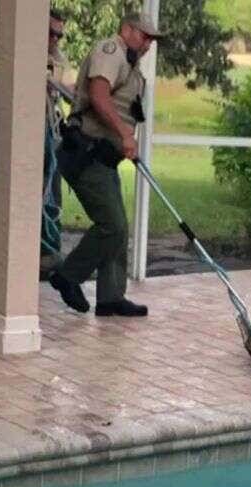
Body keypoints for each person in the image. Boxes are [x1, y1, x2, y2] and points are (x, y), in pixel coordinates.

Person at [49, 13, 162, 317]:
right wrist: (125, 134)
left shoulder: (133, 67)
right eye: (144, 35)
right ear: (126, 29)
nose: (149, 43)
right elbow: (99, 96)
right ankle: (67, 276)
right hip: (86, 153)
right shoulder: (110, 51)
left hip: (104, 158)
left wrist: (124, 138)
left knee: (118, 227)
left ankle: (111, 296)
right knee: (112, 225)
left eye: (152, 39)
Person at [41, 9, 73, 274]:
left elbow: (69, 93)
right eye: (51, 32)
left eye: (59, 35)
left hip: (51, 131)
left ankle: (49, 253)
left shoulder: (58, 61)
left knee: (52, 190)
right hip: (28, 133)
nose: (55, 39)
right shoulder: (25, 54)